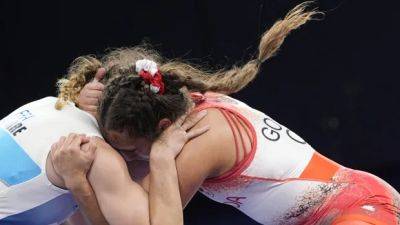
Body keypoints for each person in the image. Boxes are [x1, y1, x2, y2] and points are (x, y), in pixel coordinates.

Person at [53, 2, 400, 225]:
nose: (124, 157)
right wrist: (81, 105)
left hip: (361, 210)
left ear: (160, 128)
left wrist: (77, 182)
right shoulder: (167, 101)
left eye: (129, 149)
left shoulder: (201, 138)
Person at [0, 69, 209, 225]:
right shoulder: (98, 155)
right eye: (131, 150)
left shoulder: (50, 104)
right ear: (163, 126)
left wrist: (77, 183)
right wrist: (161, 158)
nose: (131, 159)